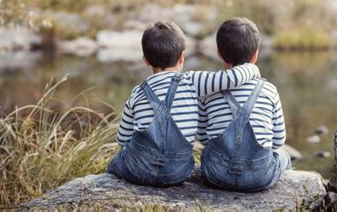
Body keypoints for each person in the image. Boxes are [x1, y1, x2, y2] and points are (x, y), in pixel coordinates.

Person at [107, 21, 260, 186]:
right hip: (178, 171)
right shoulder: (193, 81)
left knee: (115, 161)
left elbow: (123, 139)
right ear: (182, 57)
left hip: (139, 169)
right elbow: (232, 78)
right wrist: (252, 68)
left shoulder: (137, 92)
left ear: (145, 60)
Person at [198, 17, 291, 192]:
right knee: (284, 155)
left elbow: (203, 138)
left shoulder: (209, 92)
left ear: (219, 53)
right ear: (255, 55)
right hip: (260, 176)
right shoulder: (269, 90)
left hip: (216, 174)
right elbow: (278, 140)